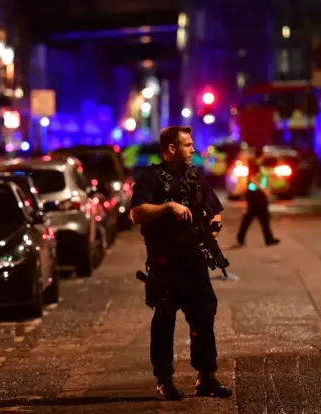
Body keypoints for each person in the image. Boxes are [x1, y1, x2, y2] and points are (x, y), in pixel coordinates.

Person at [130, 126, 232, 401]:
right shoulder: (150, 179)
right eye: (187, 145)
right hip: (164, 265)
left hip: (194, 262)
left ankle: (206, 377)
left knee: (204, 316)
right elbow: (136, 213)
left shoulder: (196, 177)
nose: (193, 149)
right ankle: (164, 379)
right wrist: (167, 207)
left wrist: (213, 226)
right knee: (164, 321)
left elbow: (215, 210)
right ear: (171, 148)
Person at [236, 147, 279, 247]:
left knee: (263, 217)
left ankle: (268, 238)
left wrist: (267, 189)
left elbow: (263, 178)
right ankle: (241, 237)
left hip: (259, 193)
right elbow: (253, 179)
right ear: (261, 154)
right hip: (254, 193)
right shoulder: (254, 164)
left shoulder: (260, 165)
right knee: (251, 216)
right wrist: (263, 189)